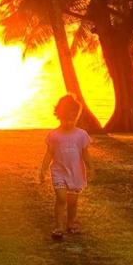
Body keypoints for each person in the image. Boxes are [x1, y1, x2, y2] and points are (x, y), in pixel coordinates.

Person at [38, 94, 93, 241]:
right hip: (59, 172)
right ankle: (59, 227)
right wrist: (43, 170)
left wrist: (90, 167)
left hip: (75, 173)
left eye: (73, 119)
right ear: (59, 116)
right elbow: (49, 153)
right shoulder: (54, 135)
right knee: (61, 198)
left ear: (77, 117)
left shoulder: (81, 135)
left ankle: (71, 224)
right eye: (66, 118)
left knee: (72, 202)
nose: (69, 122)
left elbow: (85, 153)